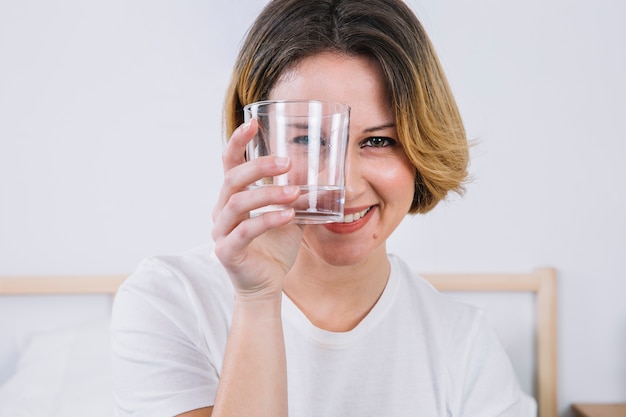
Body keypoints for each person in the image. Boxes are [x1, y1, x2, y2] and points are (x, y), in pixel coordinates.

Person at [111, 0, 536, 416]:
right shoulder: (169, 302)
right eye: (307, 139)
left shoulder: (465, 344)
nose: (345, 187)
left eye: (379, 141)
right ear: (255, 144)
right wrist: (258, 300)